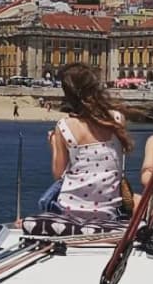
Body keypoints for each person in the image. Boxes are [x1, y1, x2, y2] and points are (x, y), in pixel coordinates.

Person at [41, 63, 132, 223]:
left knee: (47, 199)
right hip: (109, 211)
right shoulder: (117, 119)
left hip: (68, 211)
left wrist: (54, 143)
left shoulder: (65, 126)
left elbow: (58, 174)